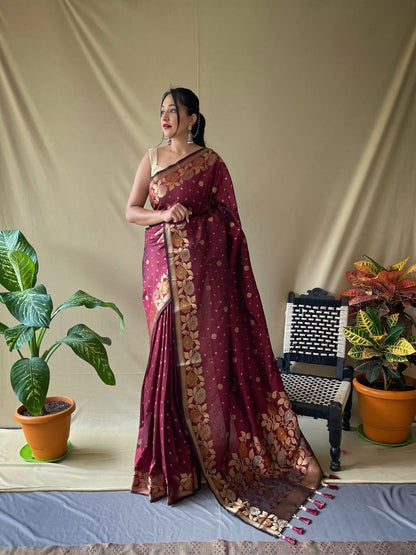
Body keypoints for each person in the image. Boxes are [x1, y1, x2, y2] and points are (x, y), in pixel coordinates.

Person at [126, 87, 330, 542]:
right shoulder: (152, 157)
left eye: (172, 111)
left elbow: (229, 221)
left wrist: (193, 224)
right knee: (166, 359)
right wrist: (163, 217)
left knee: (208, 366)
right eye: (160, 111)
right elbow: (131, 211)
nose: (164, 117)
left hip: (204, 277)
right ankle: (172, 465)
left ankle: (208, 456)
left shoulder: (212, 162)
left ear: (192, 118)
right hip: (161, 275)